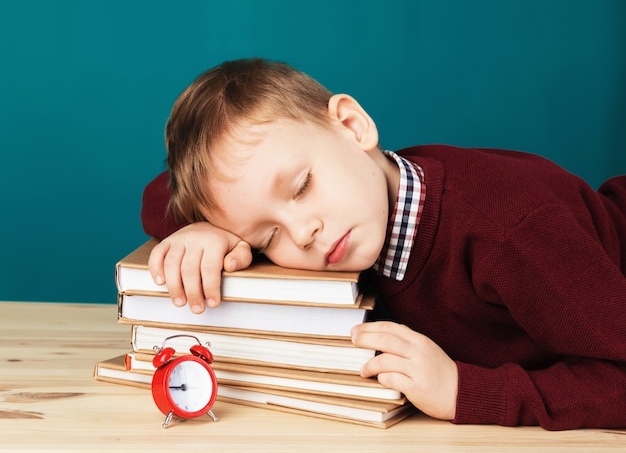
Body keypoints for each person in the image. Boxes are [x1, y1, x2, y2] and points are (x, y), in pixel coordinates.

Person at [140, 57, 626, 430]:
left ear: (353, 126)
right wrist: (206, 230)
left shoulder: (509, 233)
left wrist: (467, 390)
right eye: (267, 236)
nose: (303, 231)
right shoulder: (358, 198)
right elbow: (157, 196)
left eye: (301, 187)